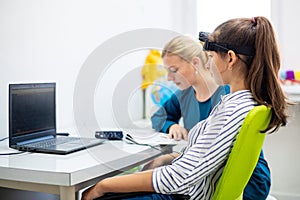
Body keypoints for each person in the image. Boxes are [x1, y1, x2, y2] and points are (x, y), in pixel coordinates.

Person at [81, 16, 288, 200]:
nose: (209, 64)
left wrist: (104, 184)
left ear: (231, 59)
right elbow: (201, 159)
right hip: (200, 181)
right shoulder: (242, 101)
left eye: (212, 57)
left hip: (197, 187)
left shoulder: (230, 107)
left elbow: (180, 177)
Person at [151, 35, 230, 141]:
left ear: (195, 63)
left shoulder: (228, 96)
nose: (169, 78)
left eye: (174, 70)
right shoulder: (183, 95)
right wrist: (172, 126)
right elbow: (158, 117)